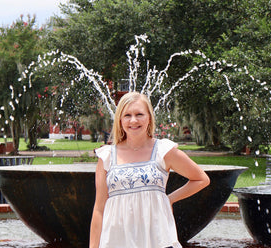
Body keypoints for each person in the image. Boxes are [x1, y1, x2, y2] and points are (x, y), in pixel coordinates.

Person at [90, 92, 210, 248]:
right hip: (116, 241)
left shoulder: (163, 151)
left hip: (157, 239)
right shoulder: (106, 156)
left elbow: (201, 179)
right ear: (120, 120)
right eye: (127, 115)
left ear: (149, 117)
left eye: (139, 114)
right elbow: (99, 209)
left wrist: (170, 199)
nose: (133, 120)